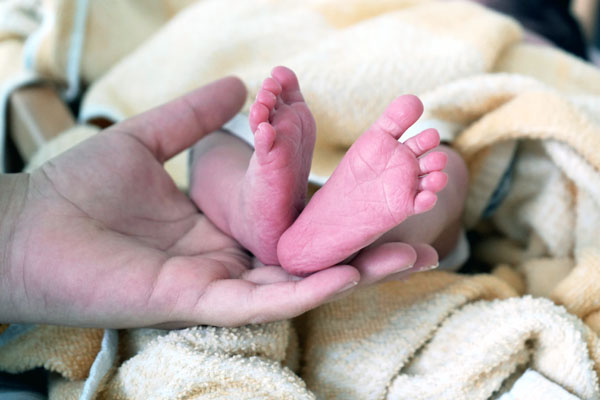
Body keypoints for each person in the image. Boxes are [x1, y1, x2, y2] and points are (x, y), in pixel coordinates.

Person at [0, 75, 441, 330]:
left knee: (214, 146)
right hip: (385, 130)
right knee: (443, 171)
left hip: (253, 144)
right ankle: (326, 230)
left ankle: (250, 210)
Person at [190, 66, 468, 276]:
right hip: (405, 124)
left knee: (214, 147)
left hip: (385, 152)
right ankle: (365, 239)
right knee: (440, 168)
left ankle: (242, 209)